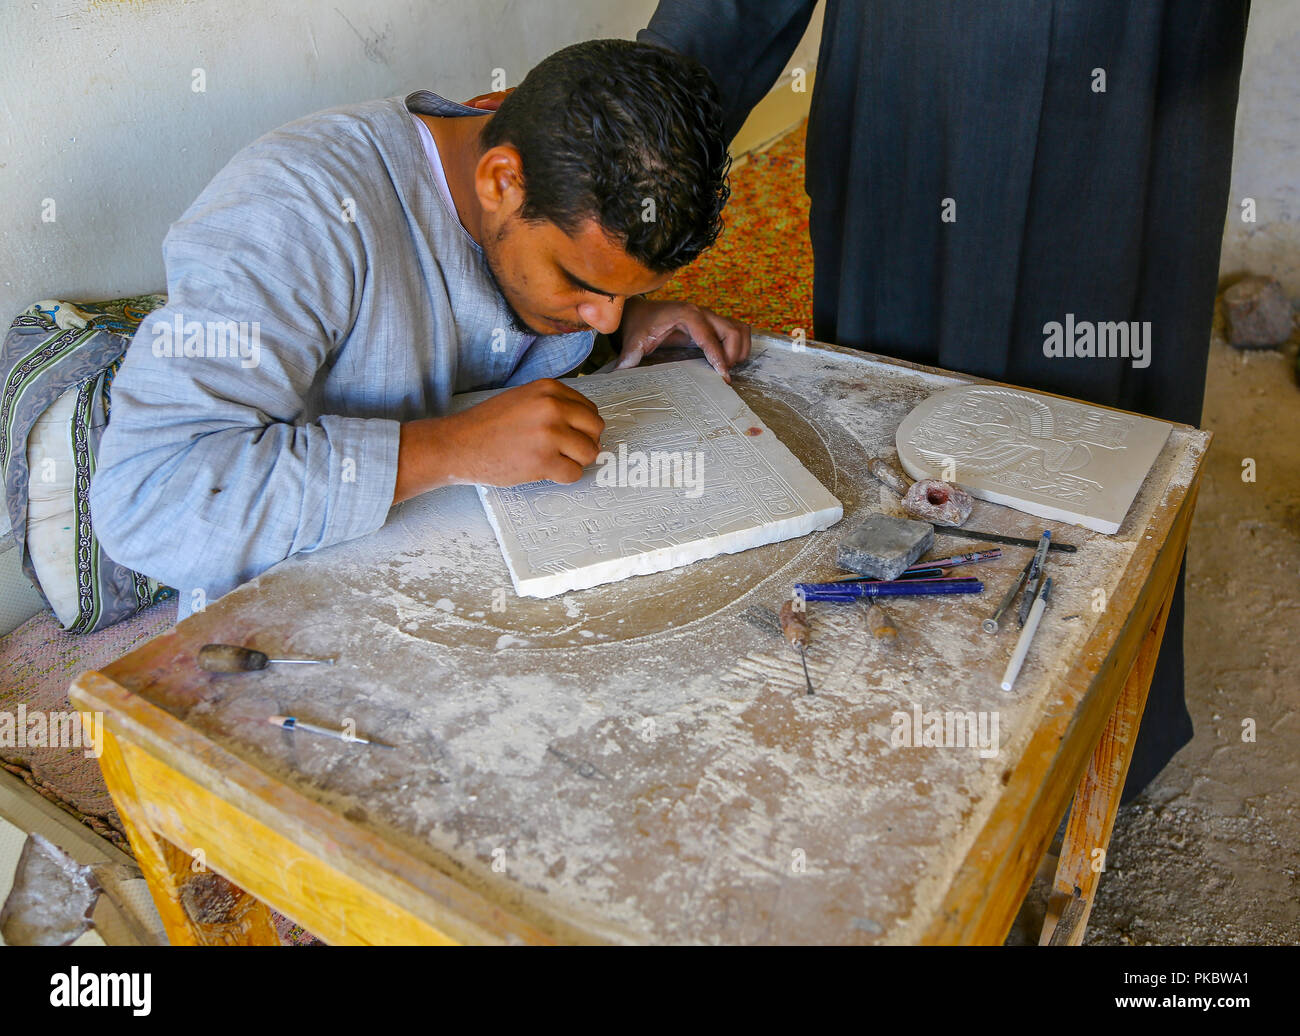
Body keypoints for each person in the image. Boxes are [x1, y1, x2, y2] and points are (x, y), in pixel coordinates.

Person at [638, 1, 1252, 800]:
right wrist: (615, 130)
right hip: (914, 59)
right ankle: (900, 741)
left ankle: (1064, 758)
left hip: (1122, 59)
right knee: (888, 399)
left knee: (1086, 418)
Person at [90, 39, 750, 619]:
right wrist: (447, 450)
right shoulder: (298, 212)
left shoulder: (534, 166)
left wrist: (633, 315)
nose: (599, 314)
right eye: (583, 284)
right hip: (305, 625)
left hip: (498, 579)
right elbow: (149, 500)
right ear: (502, 181)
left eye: (620, 293)